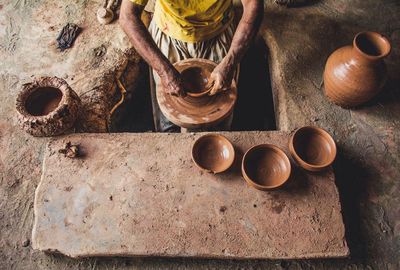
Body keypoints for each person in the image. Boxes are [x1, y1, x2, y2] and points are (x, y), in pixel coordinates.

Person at [120, 0, 263, 132]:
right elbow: (127, 16)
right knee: (169, 115)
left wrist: (230, 61)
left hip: (219, 34)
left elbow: (253, 5)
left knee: (218, 118)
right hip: (168, 33)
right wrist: (164, 71)